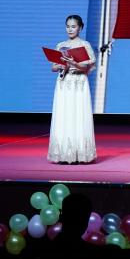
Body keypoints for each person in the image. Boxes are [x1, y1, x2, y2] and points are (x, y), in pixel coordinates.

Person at [47, 15, 97, 164]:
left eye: (73, 26)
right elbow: (53, 68)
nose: (70, 29)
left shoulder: (84, 45)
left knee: (78, 114)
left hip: (78, 83)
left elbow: (86, 67)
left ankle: (80, 154)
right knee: (64, 114)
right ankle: (63, 154)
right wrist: (62, 64)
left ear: (80, 28)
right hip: (64, 83)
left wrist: (73, 63)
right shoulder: (61, 45)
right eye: (68, 26)